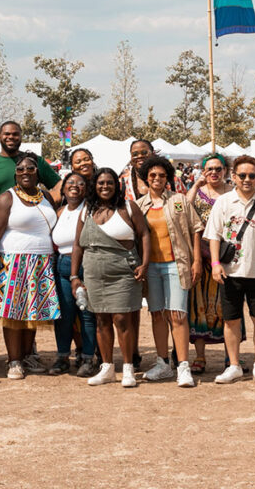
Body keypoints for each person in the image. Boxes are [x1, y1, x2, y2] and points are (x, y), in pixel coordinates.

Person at [0, 121, 61, 368]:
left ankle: (27, 357)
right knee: (12, 314)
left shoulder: (46, 197)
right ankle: (14, 361)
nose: (26, 172)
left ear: (38, 171)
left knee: (32, 313)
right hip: (13, 261)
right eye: (21, 170)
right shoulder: (7, 197)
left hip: (42, 262)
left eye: (30, 169)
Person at [204, 154, 255, 386]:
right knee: (231, 320)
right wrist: (216, 264)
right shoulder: (224, 202)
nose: (247, 179)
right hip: (230, 272)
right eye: (242, 175)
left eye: (252, 175)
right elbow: (214, 236)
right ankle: (234, 365)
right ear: (234, 177)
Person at [72, 167, 150, 387]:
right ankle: (106, 368)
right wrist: (74, 276)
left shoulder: (128, 207)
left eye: (109, 183)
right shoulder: (86, 210)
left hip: (123, 271)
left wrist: (144, 264)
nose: (105, 186)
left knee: (122, 319)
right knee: (101, 319)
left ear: (117, 185)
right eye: (100, 183)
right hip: (94, 271)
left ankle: (128, 369)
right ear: (94, 186)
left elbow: (144, 234)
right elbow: (78, 245)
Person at [136, 156, 203, 387]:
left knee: (178, 314)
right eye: (152, 175)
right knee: (157, 314)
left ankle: (183, 366)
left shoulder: (179, 200)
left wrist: (196, 261)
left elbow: (196, 228)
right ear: (146, 177)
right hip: (151, 267)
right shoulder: (139, 205)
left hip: (177, 264)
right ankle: (163, 363)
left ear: (168, 178)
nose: (157, 179)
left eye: (162, 175)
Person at [185, 152, 234, 374]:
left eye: (218, 169)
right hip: (201, 255)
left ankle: (230, 356)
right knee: (199, 307)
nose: (214, 173)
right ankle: (200, 356)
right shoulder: (198, 193)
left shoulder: (233, 193)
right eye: (209, 169)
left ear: (225, 170)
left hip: (227, 256)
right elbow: (183, 209)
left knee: (228, 307)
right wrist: (196, 185)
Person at [48, 171, 97, 376]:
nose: (74, 185)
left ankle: (87, 358)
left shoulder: (90, 210)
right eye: (70, 182)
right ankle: (62, 357)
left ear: (86, 189)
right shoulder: (60, 212)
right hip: (62, 265)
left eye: (80, 183)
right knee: (64, 314)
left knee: (86, 314)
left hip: (85, 265)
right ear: (63, 188)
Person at [0, 121, 61, 196]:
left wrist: (51, 201)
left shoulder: (35, 161)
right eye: (7, 134)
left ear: (20, 137)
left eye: (15, 134)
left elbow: (60, 186)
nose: (11, 137)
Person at [120, 139, 186, 202]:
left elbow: (184, 204)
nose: (139, 156)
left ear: (153, 153)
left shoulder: (172, 180)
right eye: (135, 154)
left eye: (144, 152)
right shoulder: (123, 183)